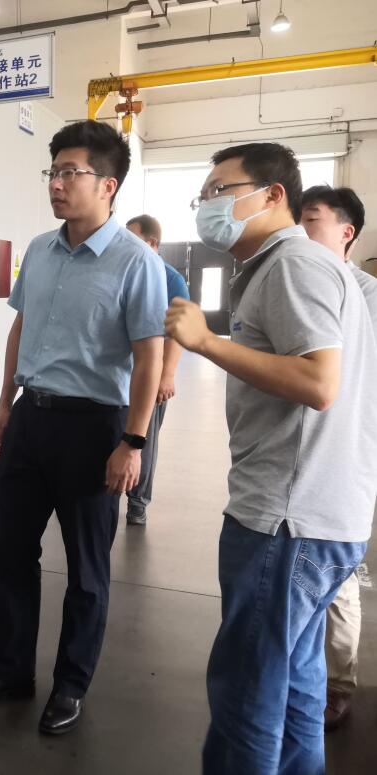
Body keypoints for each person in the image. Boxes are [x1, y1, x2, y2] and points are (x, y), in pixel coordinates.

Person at [0, 120, 166, 735]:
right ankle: (10, 671)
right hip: (30, 419)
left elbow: (149, 357)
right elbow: (20, 328)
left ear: (108, 185)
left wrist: (133, 441)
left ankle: (71, 684)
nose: (57, 184)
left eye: (72, 173)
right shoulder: (41, 250)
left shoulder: (136, 262)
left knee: (87, 571)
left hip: (94, 430)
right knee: (11, 555)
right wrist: (4, 405)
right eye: (54, 172)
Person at [165, 143, 377, 774]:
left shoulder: (292, 265)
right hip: (321, 517)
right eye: (203, 194)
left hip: (287, 520)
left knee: (247, 692)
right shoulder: (302, 266)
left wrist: (206, 343)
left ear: (273, 195)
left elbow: (318, 383)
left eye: (220, 191)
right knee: (295, 687)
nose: (207, 205)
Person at [299, 184, 373, 730]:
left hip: (348, 456)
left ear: (346, 232)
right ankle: (298, 677)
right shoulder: (298, 284)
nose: (301, 230)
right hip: (298, 460)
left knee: (339, 580)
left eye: (313, 220)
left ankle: (339, 684)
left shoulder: (367, 296)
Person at [123, 214, 189, 525]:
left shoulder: (171, 279)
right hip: (118, 373)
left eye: (133, 238)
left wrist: (167, 375)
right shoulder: (121, 269)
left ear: (152, 244)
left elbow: (177, 332)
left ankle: (138, 501)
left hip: (149, 373)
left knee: (142, 438)